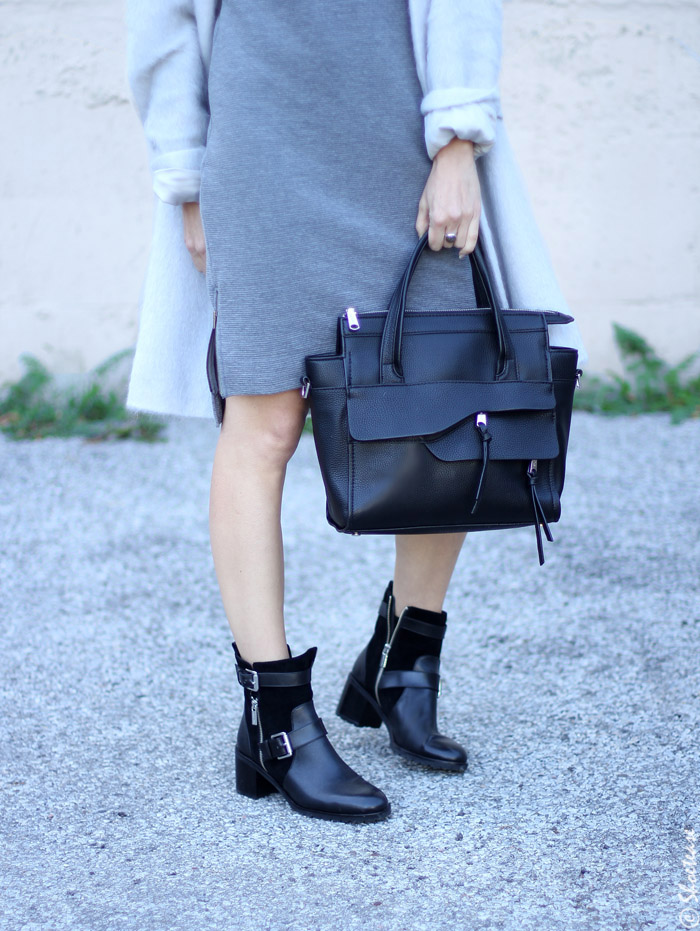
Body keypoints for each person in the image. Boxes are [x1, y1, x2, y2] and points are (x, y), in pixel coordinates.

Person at [125, 0, 587, 824]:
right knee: (262, 419)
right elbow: (162, 13)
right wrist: (184, 171)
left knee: (443, 397)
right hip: (261, 128)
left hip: (404, 127)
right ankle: (274, 718)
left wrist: (458, 138)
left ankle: (406, 653)